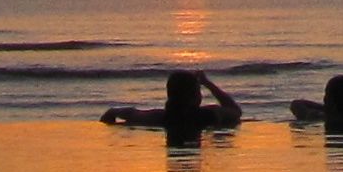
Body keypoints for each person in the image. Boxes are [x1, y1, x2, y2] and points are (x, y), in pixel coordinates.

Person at [103, 70, 242, 143]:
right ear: (195, 95)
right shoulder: (208, 115)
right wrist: (207, 83)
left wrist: (111, 125)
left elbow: (113, 112)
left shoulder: (157, 117)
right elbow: (235, 111)